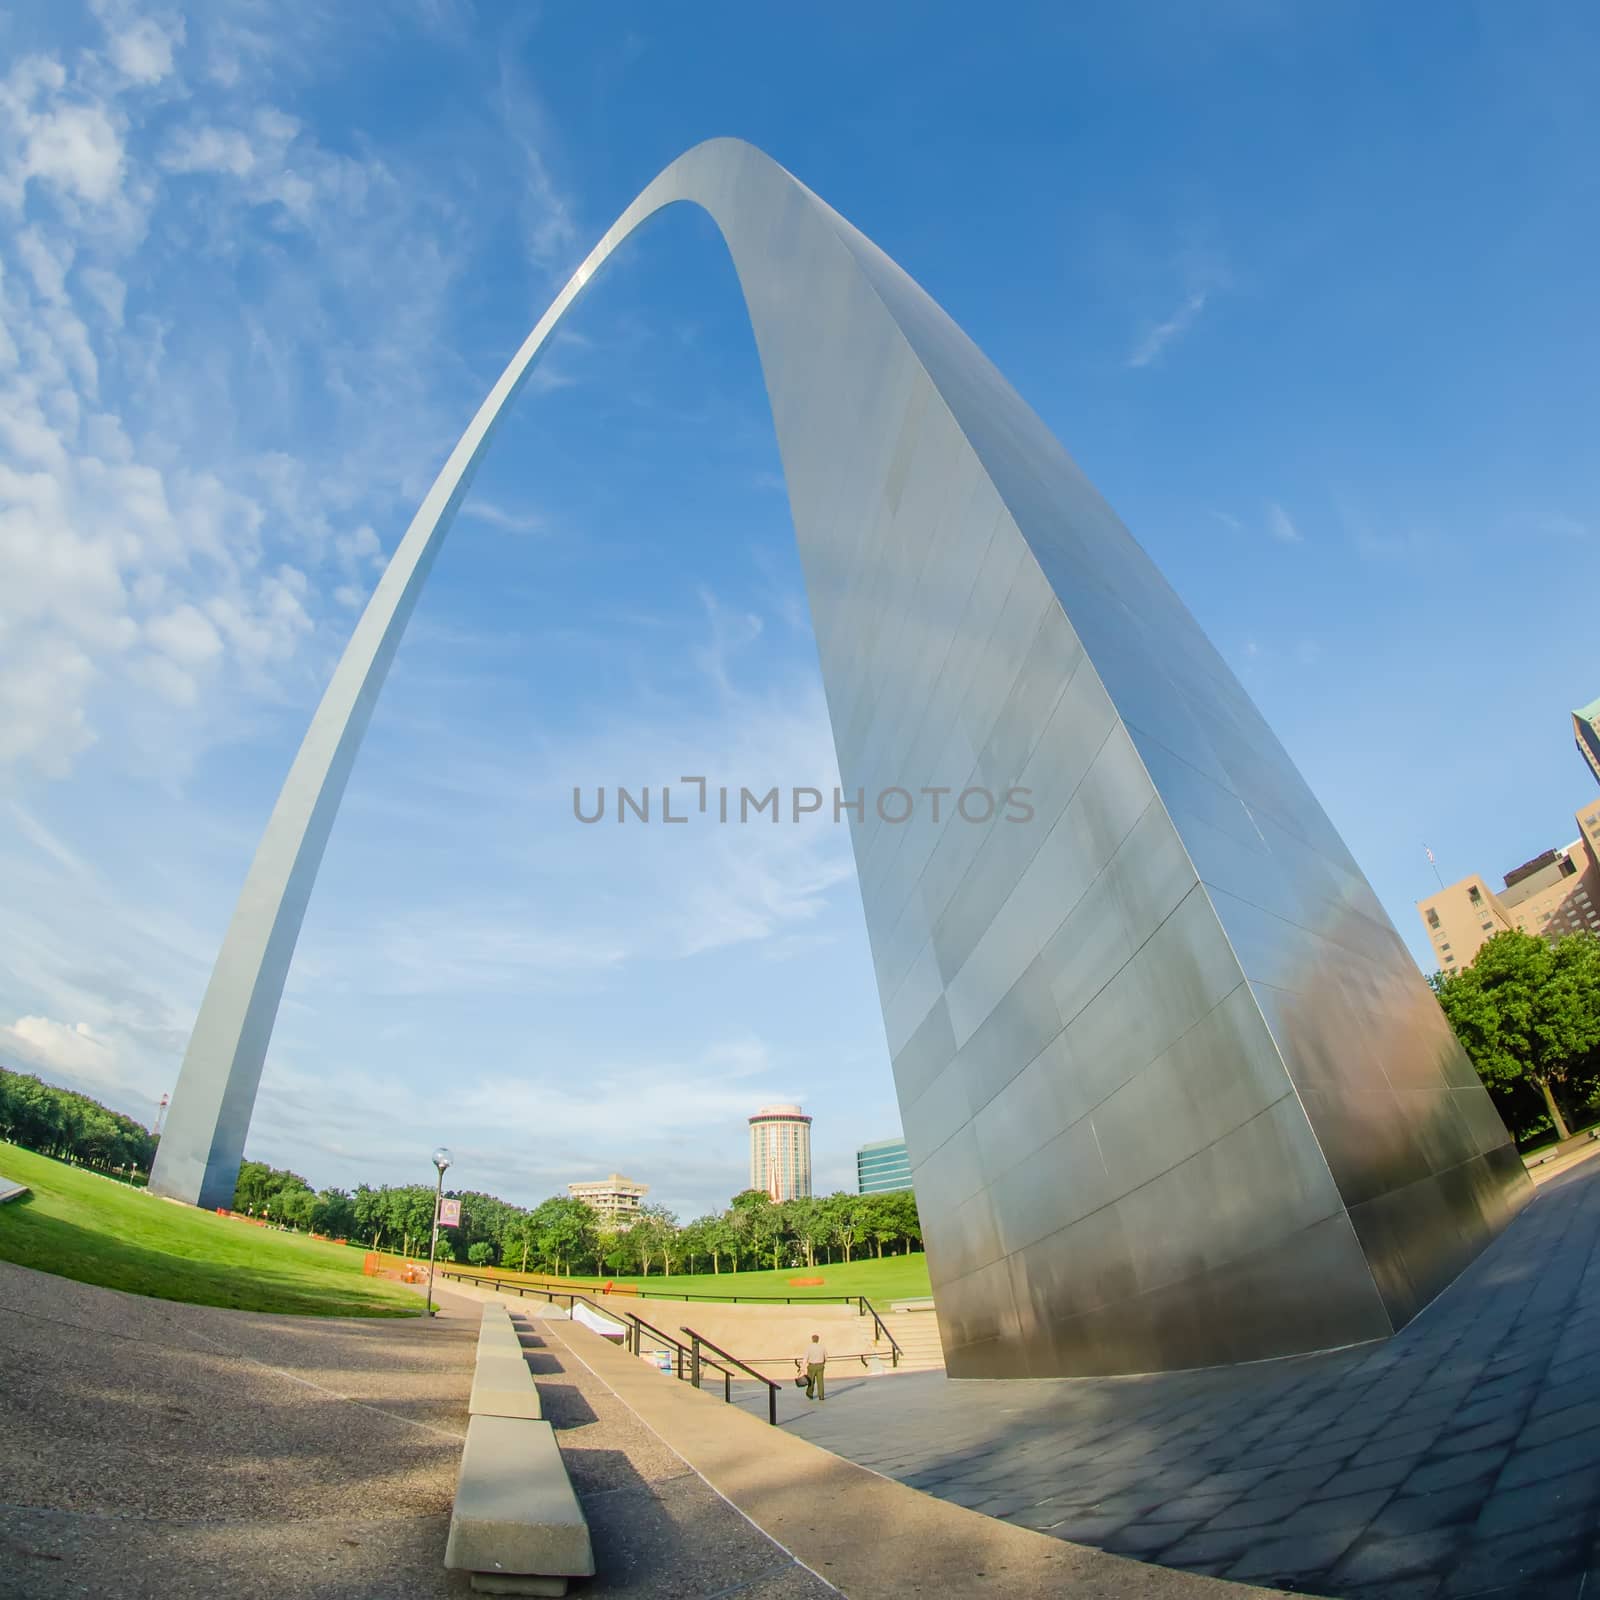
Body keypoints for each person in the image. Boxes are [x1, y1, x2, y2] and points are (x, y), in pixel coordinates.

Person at [798, 1332, 827, 1401]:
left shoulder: (809, 1347)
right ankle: (821, 1396)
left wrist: (802, 1368)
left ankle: (810, 1394)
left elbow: (805, 1358)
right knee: (820, 1382)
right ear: (818, 1340)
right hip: (820, 1366)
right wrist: (823, 1363)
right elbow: (826, 1357)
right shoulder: (822, 1347)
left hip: (812, 1366)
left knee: (811, 1381)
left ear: (812, 1339)